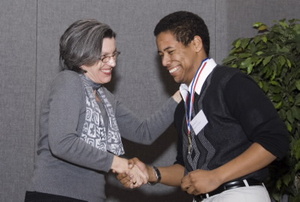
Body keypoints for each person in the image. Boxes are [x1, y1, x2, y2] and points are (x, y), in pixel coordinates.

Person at [117, 11, 289, 202]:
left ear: (196, 44)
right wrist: (151, 172)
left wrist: (217, 176)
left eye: (170, 51)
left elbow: (275, 140)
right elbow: (186, 169)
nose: (164, 62)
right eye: (161, 55)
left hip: (240, 194)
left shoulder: (231, 83)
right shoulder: (183, 106)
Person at [24, 19, 181, 202]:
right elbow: (62, 143)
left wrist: (181, 95)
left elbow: (143, 132)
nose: (113, 62)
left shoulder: (105, 97)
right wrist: (117, 163)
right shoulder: (69, 82)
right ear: (81, 57)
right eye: (104, 57)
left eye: (114, 54)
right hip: (55, 195)